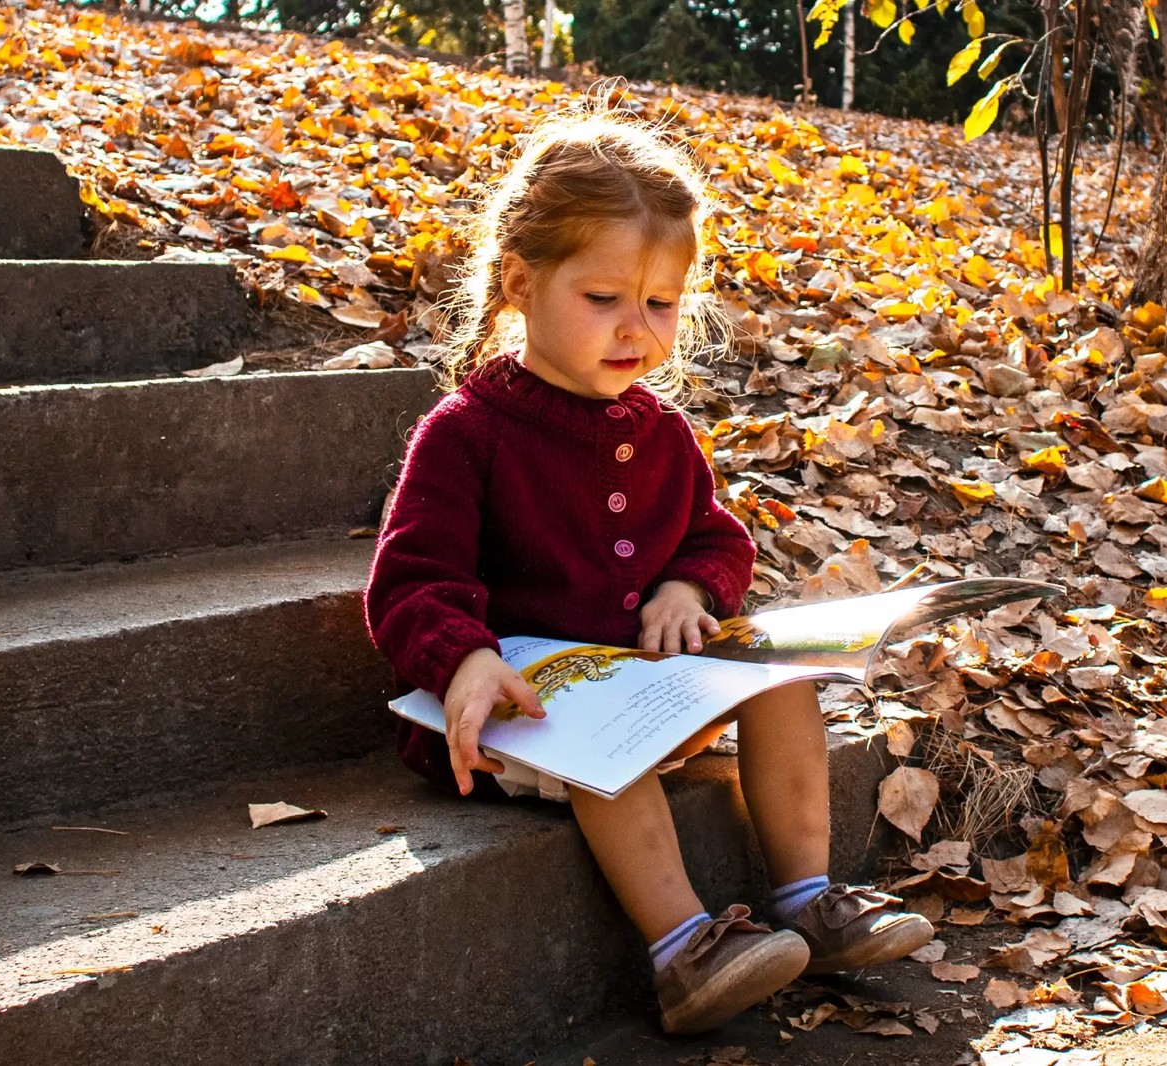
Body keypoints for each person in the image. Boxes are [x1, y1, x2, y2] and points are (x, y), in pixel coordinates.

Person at [362, 103, 934, 1036]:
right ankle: (684, 952)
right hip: (521, 715)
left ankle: (808, 899)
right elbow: (410, 579)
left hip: (643, 686)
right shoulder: (467, 434)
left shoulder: (658, 431)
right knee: (602, 748)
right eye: (604, 300)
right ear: (519, 282)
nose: (637, 329)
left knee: (784, 680)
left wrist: (687, 588)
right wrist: (463, 657)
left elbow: (718, 538)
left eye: (661, 304)